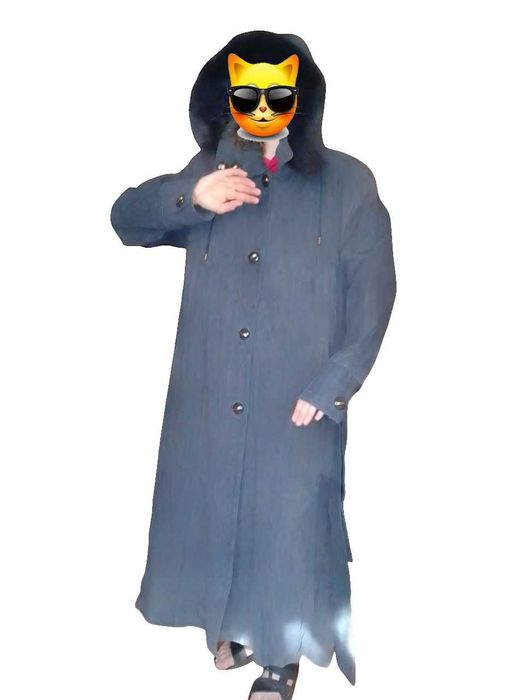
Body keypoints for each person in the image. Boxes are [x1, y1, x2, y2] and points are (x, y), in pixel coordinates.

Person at [110, 30, 396, 700]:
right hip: (211, 390)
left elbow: (375, 295)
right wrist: (191, 196)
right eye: (247, 93)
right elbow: (126, 219)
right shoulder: (210, 173)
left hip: (295, 394)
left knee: (289, 521)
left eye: (278, 93)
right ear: (225, 99)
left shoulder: (347, 184)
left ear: (300, 99)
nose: (263, 106)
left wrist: (332, 384)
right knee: (221, 511)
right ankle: (238, 626)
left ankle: (280, 656)